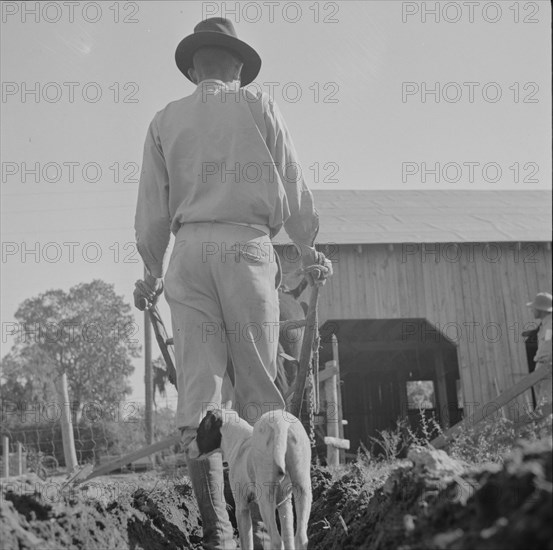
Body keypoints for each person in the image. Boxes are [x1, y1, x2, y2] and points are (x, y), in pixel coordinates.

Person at [133, 17, 332, 550]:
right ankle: (271, 532)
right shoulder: (259, 106)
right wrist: (309, 247)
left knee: (200, 392)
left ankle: (219, 532)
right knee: (261, 393)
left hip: (190, 251)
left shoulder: (165, 120)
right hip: (245, 248)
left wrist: (150, 273)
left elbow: (152, 210)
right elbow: (292, 181)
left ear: (193, 69)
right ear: (239, 68)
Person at [526, 292, 552, 407]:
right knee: (542, 402)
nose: (532, 310)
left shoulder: (551, 324)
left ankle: (546, 425)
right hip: (541, 366)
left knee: (545, 403)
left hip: (547, 367)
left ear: (541, 309)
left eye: (534, 308)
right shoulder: (544, 325)